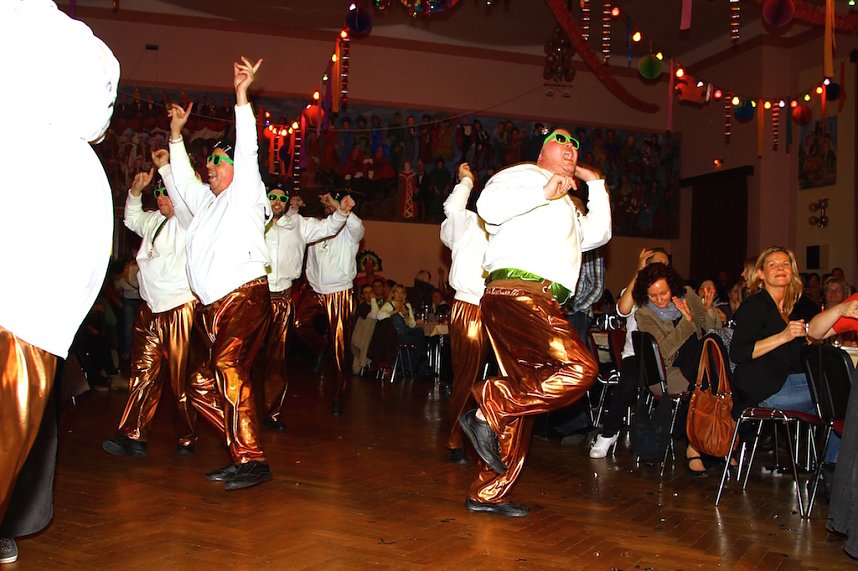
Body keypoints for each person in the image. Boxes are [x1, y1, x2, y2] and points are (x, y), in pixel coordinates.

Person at [0, 0, 119, 563]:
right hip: (32, 274)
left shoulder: (67, 39)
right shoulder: (70, 42)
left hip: (39, 281)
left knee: (25, 399)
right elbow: (95, 112)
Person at [460, 128, 611, 517]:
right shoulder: (522, 176)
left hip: (542, 301)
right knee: (580, 368)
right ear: (543, 151)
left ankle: (489, 492)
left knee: (526, 396)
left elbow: (598, 235)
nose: (573, 150)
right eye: (564, 143)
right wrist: (544, 191)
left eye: (578, 147)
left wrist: (595, 187)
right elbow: (488, 208)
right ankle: (491, 402)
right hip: (518, 292)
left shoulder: (567, 204)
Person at [167, 57, 274, 491]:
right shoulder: (207, 205)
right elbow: (184, 182)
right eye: (207, 163)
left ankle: (253, 460)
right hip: (211, 306)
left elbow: (246, 149)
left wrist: (241, 98)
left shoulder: (245, 193)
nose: (209, 168)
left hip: (244, 295)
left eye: (217, 163)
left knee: (229, 368)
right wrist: (175, 136)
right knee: (198, 383)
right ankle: (240, 449)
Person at [102, 151, 198, 457]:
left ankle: (187, 437)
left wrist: (168, 170)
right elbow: (131, 219)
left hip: (180, 308)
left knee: (179, 380)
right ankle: (133, 435)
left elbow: (186, 202)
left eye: (166, 193)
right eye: (157, 193)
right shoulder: (154, 220)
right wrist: (134, 192)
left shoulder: (189, 221)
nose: (160, 199)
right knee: (142, 373)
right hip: (149, 308)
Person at [260, 185, 354, 431]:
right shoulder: (252, 222)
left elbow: (328, 227)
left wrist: (341, 213)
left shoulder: (299, 225)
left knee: (276, 359)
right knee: (242, 357)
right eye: (272, 197)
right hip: (254, 296)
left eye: (281, 198)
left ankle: (272, 413)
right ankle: (240, 410)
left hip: (281, 298)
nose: (276, 202)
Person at [633, 263, 722, 476]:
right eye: (652, 295)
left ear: (672, 287)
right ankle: (703, 445)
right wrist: (687, 323)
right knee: (715, 380)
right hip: (667, 373)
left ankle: (703, 444)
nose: (659, 300)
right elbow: (664, 353)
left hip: (697, 363)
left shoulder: (688, 295)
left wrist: (708, 310)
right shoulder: (644, 315)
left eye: (663, 293)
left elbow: (711, 333)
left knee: (710, 370)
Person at [589, 248, 671, 459]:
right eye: (655, 264)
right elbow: (623, 310)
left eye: (664, 264)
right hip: (637, 355)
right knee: (628, 380)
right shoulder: (636, 291)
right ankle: (608, 433)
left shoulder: (672, 292)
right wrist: (639, 271)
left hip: (667, 355)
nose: (660, 268)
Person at [730, 247, 821, 422]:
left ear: (792, 272)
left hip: (786, 383)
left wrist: (808, 343)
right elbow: (738, 352)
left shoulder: (789, 311)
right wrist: (783, 337)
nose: (780, 268)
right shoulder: (754, 305)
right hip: (764, 392)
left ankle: (837, 451)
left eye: (785, 264)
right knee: (843, 390)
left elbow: (793, 362)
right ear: (761, 274)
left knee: (841, 410)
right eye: (773, 264)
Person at [440, 163, 489, 464]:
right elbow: (452, 207)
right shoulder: (466, 222)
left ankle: (493, 433)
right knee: (466, 377)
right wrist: (467, 180)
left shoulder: (510, 228)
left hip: (500, 308)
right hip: (470, 308)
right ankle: (455, 438)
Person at [305, 191, 365, 415]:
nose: (331, 209)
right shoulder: (316, 227)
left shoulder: (350, 232)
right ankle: (322, 348)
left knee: (341, 348)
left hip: (339, 292)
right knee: (297, 322)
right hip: (313, 290)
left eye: (335, 206)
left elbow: (359, 229)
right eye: (328, 206)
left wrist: (344, 210)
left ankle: (338, 395)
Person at [377, 284, 428, 375]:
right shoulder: (389, 304)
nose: (399, 295)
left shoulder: (407, 305)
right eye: (397, 292)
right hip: (395, 334)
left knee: (419, 332)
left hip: (406, 331)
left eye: (402, 292)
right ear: (393, 294)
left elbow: (413, 324)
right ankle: (410, 367)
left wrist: (405, 316)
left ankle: (409, 366)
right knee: (417, 342)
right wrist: (394, 312)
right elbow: (379, 316)